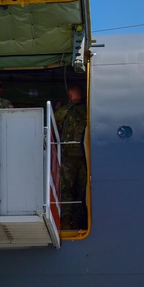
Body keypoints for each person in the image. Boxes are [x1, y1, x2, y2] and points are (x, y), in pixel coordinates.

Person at [55, 84, 88, 230]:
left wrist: (57, 108)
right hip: (85, 158)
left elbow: (54, 124)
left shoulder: (63, 111)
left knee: (66, 190)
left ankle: (66, 221)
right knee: (83, 190)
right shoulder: (88, 111)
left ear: (69, 95)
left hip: (67, 158)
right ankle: (81, 222)